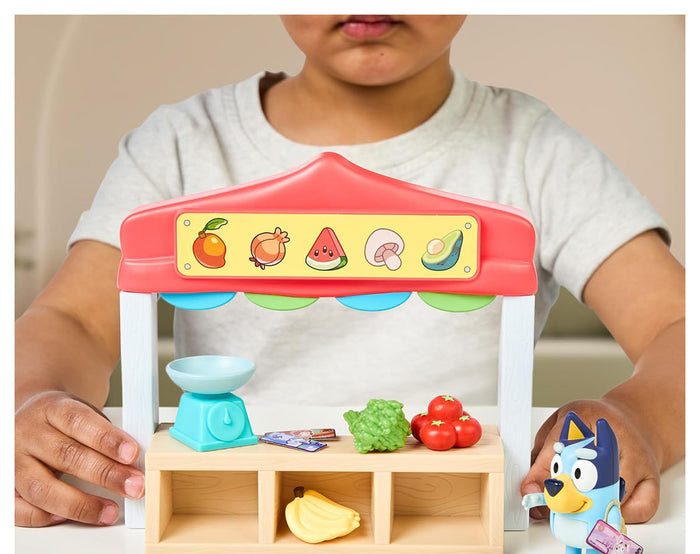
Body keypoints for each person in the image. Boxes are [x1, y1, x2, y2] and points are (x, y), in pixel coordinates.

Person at [15, 15, 684, 528]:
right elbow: (73, 320)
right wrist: (30, 402)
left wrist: (637, 419)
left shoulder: (534, 149)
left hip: (452, 520)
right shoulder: (183, 144)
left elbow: (678, 326)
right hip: (227, 512)